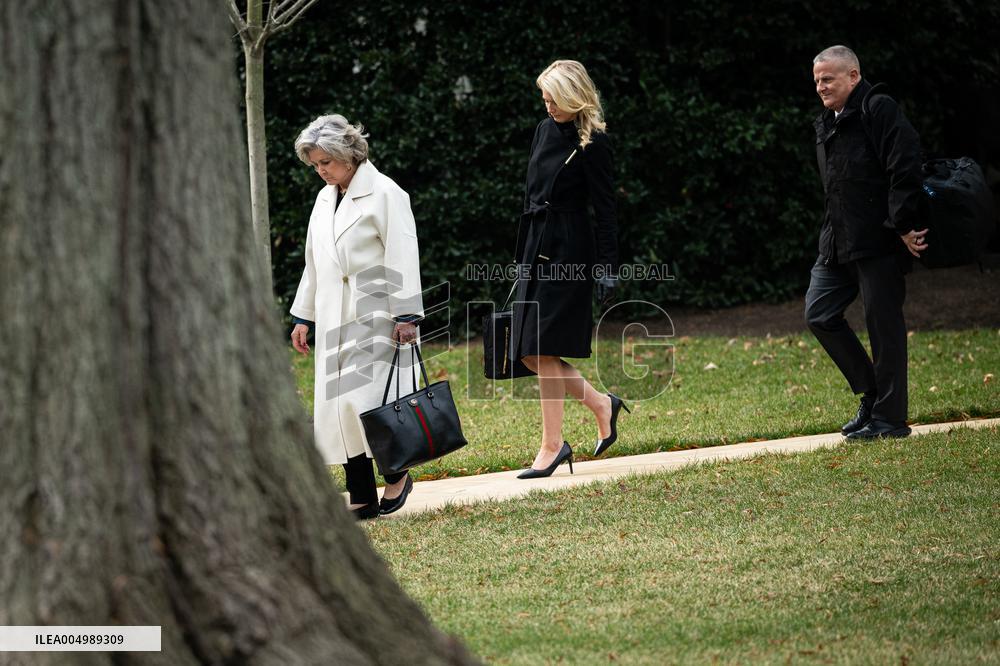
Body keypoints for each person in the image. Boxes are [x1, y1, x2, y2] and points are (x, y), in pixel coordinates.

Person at [289, 114, 424, 518]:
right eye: (314, 165)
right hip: (332, 318)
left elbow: (403, 253)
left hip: (376, 315)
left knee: (369, 403)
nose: (320, 171)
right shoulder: (323, 199)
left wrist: (406, 315)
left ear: (347, 155)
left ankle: (397, 475)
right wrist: (304, 316)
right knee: (339, 411)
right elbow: (315, 262)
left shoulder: (386, 193)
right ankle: (361, 495)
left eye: (324, 163)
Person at [510, 60, 628, 479]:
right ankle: (601, 404)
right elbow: (531, 195)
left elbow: (606, 211)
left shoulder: (593, 142)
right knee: (529, 352)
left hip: (570, 251)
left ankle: (552, 445)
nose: (547, 106)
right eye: (543, 98)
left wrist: (607, 268)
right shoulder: (544, 130)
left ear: (573, 96)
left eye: (554, 99)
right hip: (536, 248)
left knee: (540, 349)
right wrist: (522, 255)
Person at [806, 46, 927, 439]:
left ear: (853, 76)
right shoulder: (828, 120)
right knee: (819, 313)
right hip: (837, 240)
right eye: (817, 81)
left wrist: (903, 224)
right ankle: (873, 394)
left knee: (883, 328)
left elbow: (905, 164)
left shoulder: (880, 109)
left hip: (878, 239)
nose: (821, 87)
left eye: (829, 79)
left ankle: (890, 420)